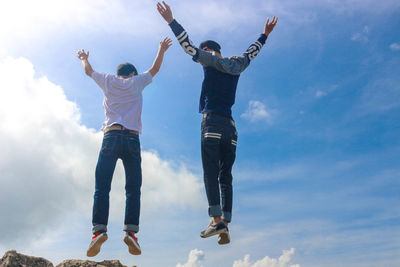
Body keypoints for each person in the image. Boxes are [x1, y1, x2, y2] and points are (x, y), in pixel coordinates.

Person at [157, 1, 277, 245]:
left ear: (209, 50)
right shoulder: (237, 65)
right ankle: (226, 224)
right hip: (231, 128)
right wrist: (264, 35)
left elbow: (188, 47)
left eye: (204, 52)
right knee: (226, 176)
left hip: (211, 123)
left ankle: (215, 220)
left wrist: (171, 21)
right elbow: (252, 51)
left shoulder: (210, 60)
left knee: (210, 173)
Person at [77, 37, 172, 256]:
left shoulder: (107, 80)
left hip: (110, 136)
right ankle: (131, 233)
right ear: (132, 74)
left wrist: (83, 58)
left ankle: (98, 231)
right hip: (131, 138)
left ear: (119, 73)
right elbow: (155, 69)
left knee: (102, 186)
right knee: (133, 189)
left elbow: (88, 71)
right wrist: (161, 49)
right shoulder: (136, 82)